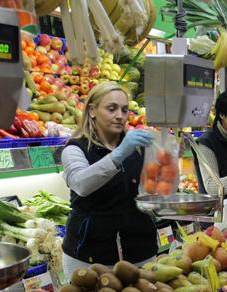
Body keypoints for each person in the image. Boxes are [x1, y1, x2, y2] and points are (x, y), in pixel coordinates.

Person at [61, 82, 158, 277]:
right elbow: (81, 184)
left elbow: (151, 190)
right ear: (92, 111)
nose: (120, 116)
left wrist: (167, 158)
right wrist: (119, 154)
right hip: (89, 257)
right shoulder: (74, 149)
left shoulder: (138, 147)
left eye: (124, 110)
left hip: (140, 251)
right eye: (111, 108)